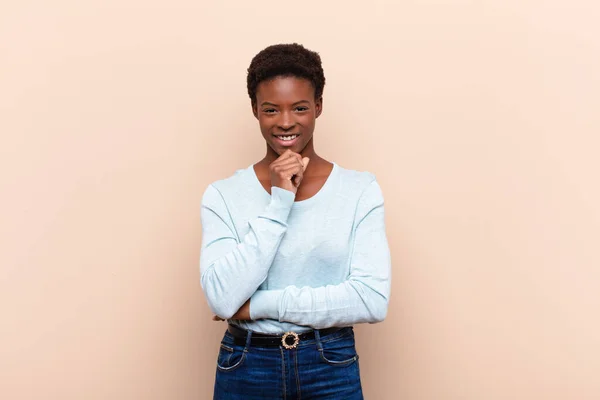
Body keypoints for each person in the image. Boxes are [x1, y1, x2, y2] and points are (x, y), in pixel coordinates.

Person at [199, 43, 391, 400]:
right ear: (256, 110)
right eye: (271, 109)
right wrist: (280, 201)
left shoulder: (359, 190)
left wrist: (257, 306)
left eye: (299, 108)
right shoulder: (222, 195)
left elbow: (370, 299)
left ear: (318, 106)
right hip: (246, 365)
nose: (286, 122)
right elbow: (222, 298)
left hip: (330, 364)